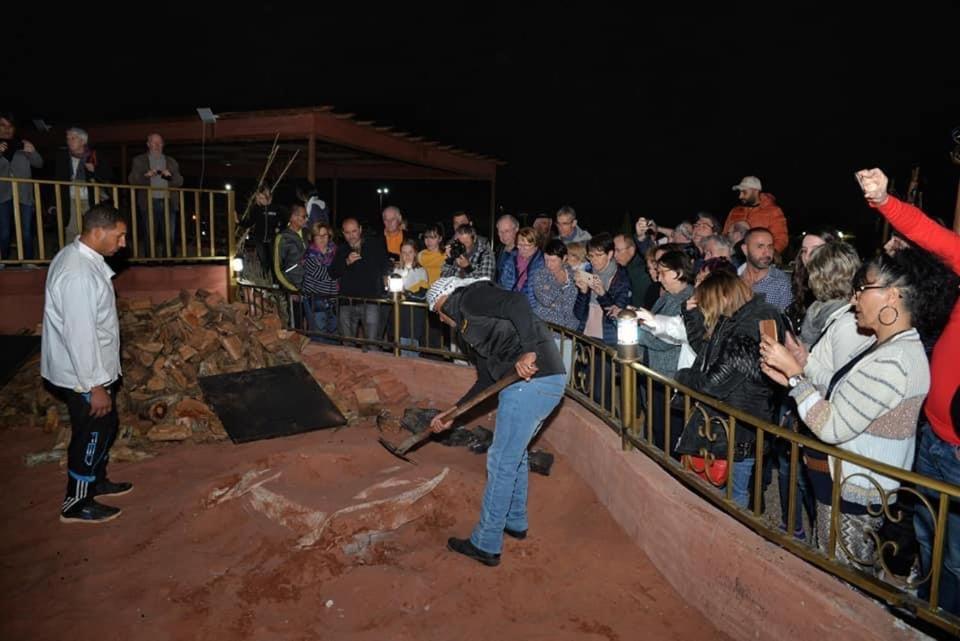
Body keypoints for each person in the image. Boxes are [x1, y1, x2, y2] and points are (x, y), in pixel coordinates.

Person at [760, 251, 931, 569]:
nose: (854, 300)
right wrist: (801, 367)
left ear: (891, 295)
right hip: (850, 483)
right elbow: (844, 393)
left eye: (862, 290)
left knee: (843, 584)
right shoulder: (883, 345)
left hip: (860, 493)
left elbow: (833, 426)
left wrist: (796, 379)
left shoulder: (895, 360)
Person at [858, 167, 960, 612]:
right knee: (924, 526)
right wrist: (884, 200)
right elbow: (932, 235)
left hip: (957, 452)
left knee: (956, 552)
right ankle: (926, 595)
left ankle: (940, 616)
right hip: (933, 434)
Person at [426, 277, 566, 566]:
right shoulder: (469, 329)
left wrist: (529, 349)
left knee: (501, 461)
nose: (439, 317)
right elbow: (487, 379)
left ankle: (486, 542)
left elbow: (517, 302)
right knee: (516, 456)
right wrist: (452, 412)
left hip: (530, 382)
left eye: (437, 309)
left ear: (445, 297)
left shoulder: (469, 298)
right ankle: (515, 520)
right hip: (545, 382)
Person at [41, 204, 131, 523]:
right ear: (98, 232)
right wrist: (94, 385)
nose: (123, 243)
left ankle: (96, 481)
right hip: (84, 376)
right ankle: (76, 503)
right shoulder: (77, 273)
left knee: (104, 427)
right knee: (91, 435)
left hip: (92, 371)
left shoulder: (85, 260)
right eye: (119, 236)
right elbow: (79, 335)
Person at [677, 270, 784, 508]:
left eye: (709, 305)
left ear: (724, 297)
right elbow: (708, 351)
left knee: (734, 497)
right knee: (723, 493)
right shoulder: (738, 316)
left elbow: (714, 382)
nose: (709, 311)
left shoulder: (752, 323)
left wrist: (682, 376)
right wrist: (691, 313)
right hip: (727, 423)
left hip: (740, 429)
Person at [127, 133, 184, 257]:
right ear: (148, 144)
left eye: (159, 142)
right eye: (154, 142)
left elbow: (180, 181)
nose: (157, 145)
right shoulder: (139, 160)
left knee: (170, 235)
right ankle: (150, 262)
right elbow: (132, 180)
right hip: (148, 201)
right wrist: (145, 176)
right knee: (150, 234)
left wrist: (170, 177)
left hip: (169, 201)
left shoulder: (171, 161)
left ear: (163, 144)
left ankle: (169, 262)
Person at [56, 127, 113, 243]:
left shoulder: (94, 156)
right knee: (72, 229)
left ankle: (92, 257)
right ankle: (70, 258)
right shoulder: (63, 157)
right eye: (68, 138)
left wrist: (94, 170)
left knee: (93, 228)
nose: (69, 141)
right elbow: (56, 180)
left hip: (91, 197)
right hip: (70, 198)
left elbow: (108, 176)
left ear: (83, 141)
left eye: (73, 138)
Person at [0, 113, 43, 261]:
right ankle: (3, 261)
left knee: (26, 232)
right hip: (2, 196)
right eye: (3, 126)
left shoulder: (23, 143)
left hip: (24, 195)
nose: (7, 129)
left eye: (10, 126)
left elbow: (39, 163)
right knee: (4, 233)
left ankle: (29, 262)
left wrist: (32, 152)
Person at [723, 175, 789, 254]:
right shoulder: (735, 211)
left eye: (744, 192)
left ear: (755, 191)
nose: (740, 196)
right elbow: (724, 234)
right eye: (740, 192)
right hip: (734, 259)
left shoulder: (773, 211)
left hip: (758, 259)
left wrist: (769, 254)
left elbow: (781, 239)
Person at [739, 227, 793, 312]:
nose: (767, 252)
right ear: (745, 249)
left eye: (770, 247)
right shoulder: (732, 280)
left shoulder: (781, 282)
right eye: (760, 246)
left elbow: (786, 322)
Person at [301, 222, 339, 341]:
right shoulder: (310, 255)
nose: (322, 238)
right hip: (315, 300)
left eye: (325, 235)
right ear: (313, 238)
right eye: (318, 235)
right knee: (319, 336)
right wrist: (340, 268)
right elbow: (325, 275)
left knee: (333, 336)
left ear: (329, 236)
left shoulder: (336, 252)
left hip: (333, 300)